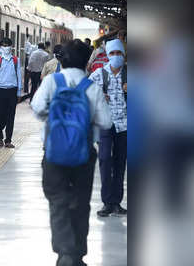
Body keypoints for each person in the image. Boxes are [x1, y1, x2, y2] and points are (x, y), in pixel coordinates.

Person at [31, 39, 112, 266]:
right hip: (83, 155)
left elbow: (37, 108)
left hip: (53, 153)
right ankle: (77, 255)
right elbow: (105, 121)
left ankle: (64, 253)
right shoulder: (91, 87)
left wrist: (53, 116)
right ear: (87, 61)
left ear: (63, 60)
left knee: (58, 202)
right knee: (80, 203)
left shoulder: (51, 82)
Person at [89, 38, 128, 217]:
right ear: (107, 55)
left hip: (125, 125)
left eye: (119, 53)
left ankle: (116, 202)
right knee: (105, 160)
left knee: (121, 163)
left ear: (124, 54)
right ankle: (106, 202)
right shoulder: (98, 74)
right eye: (112, 53)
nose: (116, 56)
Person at [0, 37, 22, 148]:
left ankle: (8, 140)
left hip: (12, 91)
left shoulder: (16, 60)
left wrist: (19, 93)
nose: (6, 47)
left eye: (8, 45)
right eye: (3, 45)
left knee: (10, 116)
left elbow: (19, 76)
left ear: (11, 46)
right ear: (0, 47)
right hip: (1, 90)